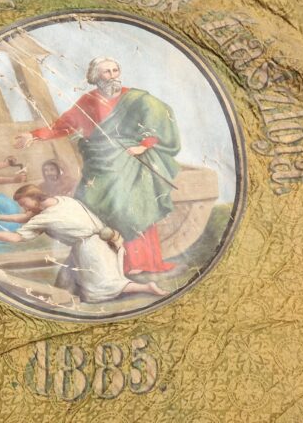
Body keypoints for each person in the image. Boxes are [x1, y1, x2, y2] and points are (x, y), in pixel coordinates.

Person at [14, 56, 181, 276]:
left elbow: (159, 118)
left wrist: (144, 145)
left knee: (132, 210)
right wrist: (33, 135)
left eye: (115, 70)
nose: (112, 76)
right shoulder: (88, 100)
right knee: (93, 209)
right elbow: (64, 126)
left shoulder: (136, 98)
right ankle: (106, 264)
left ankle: (141, 262)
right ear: (95, 77)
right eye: (106, 72)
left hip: (128, 162)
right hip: (99, 164)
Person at [0, 184, 166, 303]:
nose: (22, 207)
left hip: (92, 250)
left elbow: (15, 237)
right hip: (102, 240)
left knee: (101, 288)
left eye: (23, 203)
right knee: (67, 280)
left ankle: (146, 288)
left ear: (34, 198)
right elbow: (27, 217)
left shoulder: (45, 217)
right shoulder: (61, 201)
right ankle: (64, 298)